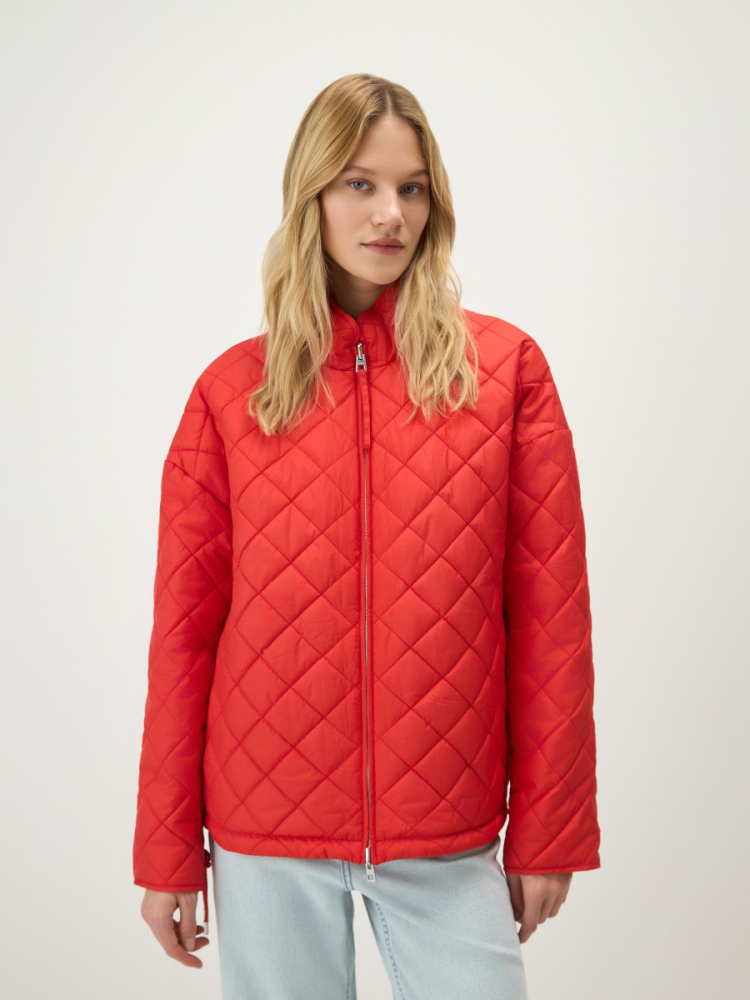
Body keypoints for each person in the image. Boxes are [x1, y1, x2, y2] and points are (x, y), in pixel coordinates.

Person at [133, 73, 601, 999]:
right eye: (361, 183)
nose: (391, 213)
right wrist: (166, 847)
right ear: (311, 194)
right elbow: (183, 638)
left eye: (412, 188)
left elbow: (553, 620)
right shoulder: (232, 393)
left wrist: (550, 831)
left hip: (448, 826)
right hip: (265, 828)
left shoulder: (505, 373)